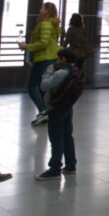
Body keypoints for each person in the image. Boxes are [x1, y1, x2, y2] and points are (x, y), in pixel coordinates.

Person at [36, 48, 81, 180]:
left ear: (64, 59)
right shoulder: (75, 71)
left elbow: (44, 86)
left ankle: (55, 169)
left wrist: (49, 70)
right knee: (67, 136)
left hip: (56, 108)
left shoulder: (60, 73)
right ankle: (71, 165)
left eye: (58, 58)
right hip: (67, 107)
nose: (57, 60)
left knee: (56, 139)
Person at [18, 1, 61, 126]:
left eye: (42, 7)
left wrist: (27, 46)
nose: (40, 9)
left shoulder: (45, 24)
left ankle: (43, 111)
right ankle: (45, 111)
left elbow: (43, 43)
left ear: (47, 10)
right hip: (50, 57)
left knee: (31, 86)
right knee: (42, 86)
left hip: (43, 58)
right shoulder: (52, 24)